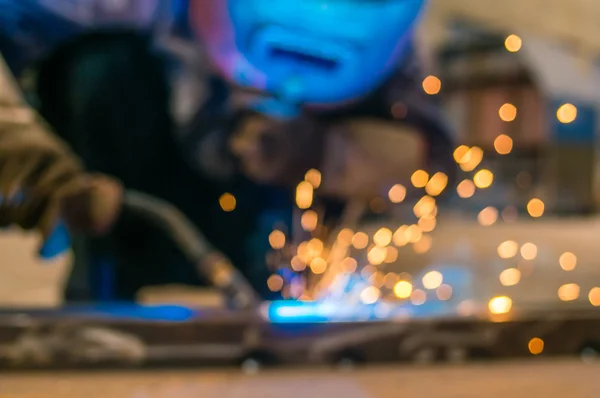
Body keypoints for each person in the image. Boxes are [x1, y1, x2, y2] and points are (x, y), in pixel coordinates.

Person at [0, 0, 455, 300]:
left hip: (275, 253)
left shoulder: (398, 52)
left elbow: (433, 176)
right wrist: (14, 143)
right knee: (102, 69)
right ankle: (108, 290)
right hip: (120, 201)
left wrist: (324, 152)